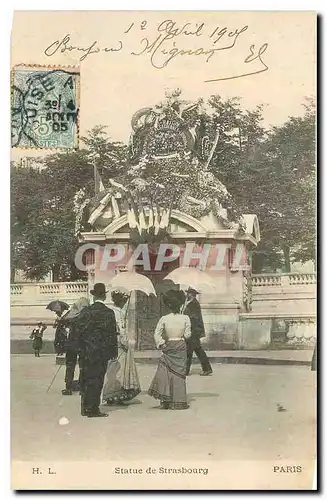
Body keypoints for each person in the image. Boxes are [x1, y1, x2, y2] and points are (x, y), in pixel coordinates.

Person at [74, 283, 118, 418]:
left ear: (93, 297)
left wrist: (79, 348)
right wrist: (113, 352)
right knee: (98, 379)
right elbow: (112, 334)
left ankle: (84, 407)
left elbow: (78, 332)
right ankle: (93, 408)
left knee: (85, 378)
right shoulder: (109, 313)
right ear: (104, 296)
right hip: (101, 352)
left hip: (86, 351)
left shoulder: (85, 312)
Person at [148, 289, 191, 410]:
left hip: (169, 346)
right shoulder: (186, 318)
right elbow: (187, 335)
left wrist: (162, 344)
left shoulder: (164, 318)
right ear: (180, 304)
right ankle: (178, 400)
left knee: (167, 372)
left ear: (168, 305)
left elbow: (157, 334)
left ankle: (165, 400)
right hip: (181, 345)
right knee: (179, 374)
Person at [102, 291, 141, 405]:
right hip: (117, 343)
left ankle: (120, 394)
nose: (124, 302)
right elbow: (116, 330)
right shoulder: (113, 312)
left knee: (122, 370)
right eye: (123, 300)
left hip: (122, 342)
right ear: (117, 300)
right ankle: (112, 395)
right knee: (116, 370)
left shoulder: (122, 311)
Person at [60, 297, 90, 396]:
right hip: (83, 344)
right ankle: (82, 388)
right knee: (83, 366)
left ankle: (68, 387)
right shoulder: (87, 314)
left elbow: (63, 320)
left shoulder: (72, 314)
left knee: (70, 366)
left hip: (71, 344)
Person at [181, 287, 213, 376]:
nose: (186, 294)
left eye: (188, 293)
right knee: (197, 350)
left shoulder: (194, 304)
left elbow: (194, 318)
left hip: (193, 330)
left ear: (192, 294)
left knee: (190, 351)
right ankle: (207, 369)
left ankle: (186, 371)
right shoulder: (189, 303)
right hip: (192, 330)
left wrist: (185, 318)